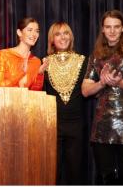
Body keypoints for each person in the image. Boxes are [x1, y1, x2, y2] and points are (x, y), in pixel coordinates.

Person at [81, 10, 123, 185]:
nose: (112, 31)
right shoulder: (96, 55)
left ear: (122, 29)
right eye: (108, 27)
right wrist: (102, 83)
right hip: (101, 127)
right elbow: (85, 91)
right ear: (102, 30)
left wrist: (121, 83)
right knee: (106, 178)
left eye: (116, 27)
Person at [43, 22, 87, 185]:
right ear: (51, 40)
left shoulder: (83, 60)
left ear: (71, 36)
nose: (62, 37)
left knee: (75, 171)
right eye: (58, 34)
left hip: (76, 123)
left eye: (66, 33)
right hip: (53, 123)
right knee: (52, 170)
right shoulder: (45, 62)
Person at [0, 17, 48, 89]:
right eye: (30, 30)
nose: (34, 34)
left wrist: (40, 73)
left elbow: (35, 93)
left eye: (37, 31)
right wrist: (21, 72)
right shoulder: (4, 55)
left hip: (27, 100)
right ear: (19, 32)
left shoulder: (36, 61)